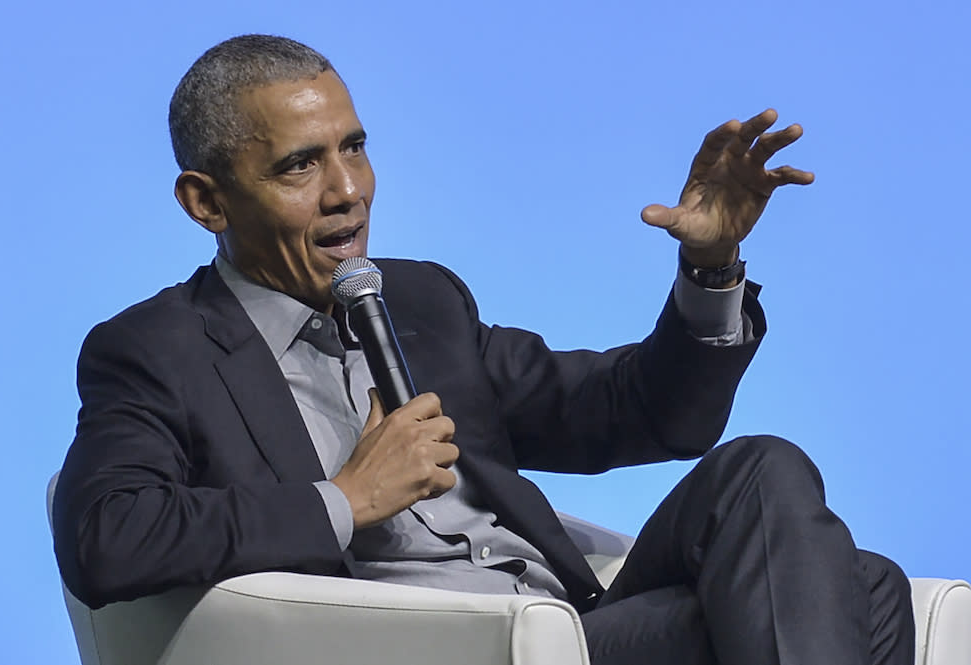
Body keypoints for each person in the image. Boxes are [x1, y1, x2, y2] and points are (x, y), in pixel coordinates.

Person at [52, 34, 914, 665]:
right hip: (435, 648)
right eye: (299, 167)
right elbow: (107, 536)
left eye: (354, 148)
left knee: (768, 477)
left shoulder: (421, 298)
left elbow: (639, 410)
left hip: (566, 630)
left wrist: (709, 264)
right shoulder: (154, 350)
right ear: (206, 202)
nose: (348, 191)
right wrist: (346, 498)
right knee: (838, 599)